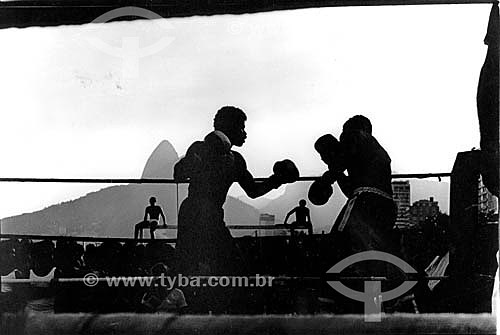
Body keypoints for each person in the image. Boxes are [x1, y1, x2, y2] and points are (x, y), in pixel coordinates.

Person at [174, 106, 299, 313]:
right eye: (241, 128)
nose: (245, 133)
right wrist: (196, 158)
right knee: (194, 263)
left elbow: (253, 191)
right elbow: (178, 174)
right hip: (195, 210)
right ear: (229, 128)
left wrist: (278, 179)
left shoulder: (236, 160)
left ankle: (214, 310)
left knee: (225, 264)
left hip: (211, 214)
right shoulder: (201, 147)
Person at [313, 115, 399, 312]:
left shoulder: (355, 135)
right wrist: (335, 172)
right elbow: (352, 188)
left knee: (335, 244)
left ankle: (328, 305)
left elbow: (355, 188)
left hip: (366, 202)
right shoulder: (374, 154)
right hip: (384, 205)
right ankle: (373, 310)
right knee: (372, 259)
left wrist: (327, 176)